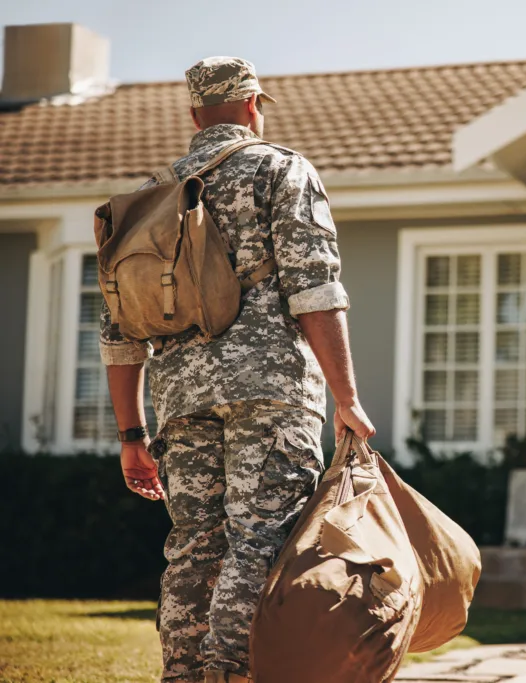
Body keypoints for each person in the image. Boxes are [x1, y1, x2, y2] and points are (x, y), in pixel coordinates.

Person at [100, 56, 374, 683]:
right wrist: (347, 398)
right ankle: (233, 676)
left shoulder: (148, 197)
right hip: (270, 393)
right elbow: (315, 290)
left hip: (178, 400)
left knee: (194, 549)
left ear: (194, 114)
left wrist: (131, 437)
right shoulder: (282, 170)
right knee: (260, 542)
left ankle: (185, 675)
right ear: (253, 104)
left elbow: (119, 330)